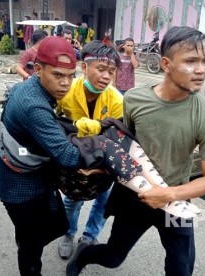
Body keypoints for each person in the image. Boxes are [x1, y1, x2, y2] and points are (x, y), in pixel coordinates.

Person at [66, 26, 205, 276]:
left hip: (175, 200)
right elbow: (121, 148)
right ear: (166, 64)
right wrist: (96, 169)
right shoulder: (135, 100)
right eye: (191, 61)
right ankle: (84, 255)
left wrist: (167, 194)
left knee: (181, 269)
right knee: (113, 257)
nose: (202, 69)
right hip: (134, 199)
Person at [0, 36, 86, 276]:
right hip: (19, 187)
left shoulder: (27, 88)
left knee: (51, 225)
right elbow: (68, 157)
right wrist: (105, 155)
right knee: (32, 246)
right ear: (38, 69)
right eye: (58, 75)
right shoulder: (34, 105)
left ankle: (24, 237)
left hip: (28, 173)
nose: (66, 83)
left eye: (71, 76)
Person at [56, 40, 122, 260]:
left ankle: (89, 237)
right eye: (101, 69)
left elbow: (116, 135)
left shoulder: (116, 99)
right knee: (72, 200)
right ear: (84, 67)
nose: (106, 76)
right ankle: (68, 233)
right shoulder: (66, 91)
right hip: (74, 157)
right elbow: (53, 123)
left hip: (103, 160)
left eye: (111, 71)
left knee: (103, 200)